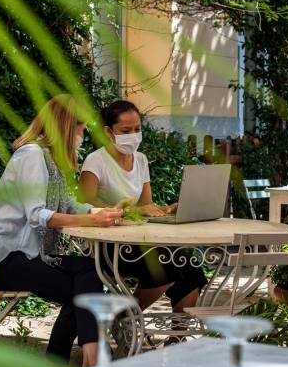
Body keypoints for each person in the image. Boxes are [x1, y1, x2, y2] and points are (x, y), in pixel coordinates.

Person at [0, 94, 122, 367]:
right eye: (80, 128)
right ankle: (80, 359)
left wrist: (101, 213)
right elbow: (37, 215)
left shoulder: (51, 160)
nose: (82, 134)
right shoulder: (32, 155)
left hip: (30, 255)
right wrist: (91, 222)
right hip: (5, 258)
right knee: (79, 292)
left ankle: (83, 356)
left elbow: (68, 204)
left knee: (90, 270)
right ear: (67, 127)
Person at [79, 100, 207, 315]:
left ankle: (177, 336)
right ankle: (123, 318)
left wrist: (168, 209)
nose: (134, 135)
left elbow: (147, 206)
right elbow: (84, 203)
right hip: (108, 245)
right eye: (126, 130)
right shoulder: (96, 160)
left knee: (191, 268)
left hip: (139, 241)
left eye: (137, 129)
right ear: (108, 132)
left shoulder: (140, 160)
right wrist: (134, 211)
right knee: (166, 269)